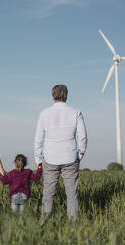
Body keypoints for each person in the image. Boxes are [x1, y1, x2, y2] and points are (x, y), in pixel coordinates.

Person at [34, 84, 87, 223]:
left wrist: (38, 158)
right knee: (72, 194)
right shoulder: (75, 112)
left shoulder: (44, 113)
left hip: (50, 158)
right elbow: (82, 136)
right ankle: (73, 225)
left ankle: (43, 224)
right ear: (66, 95)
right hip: (70, 157)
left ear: (53, 95)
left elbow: (38, 138)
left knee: (48, 194)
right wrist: (80, 154)